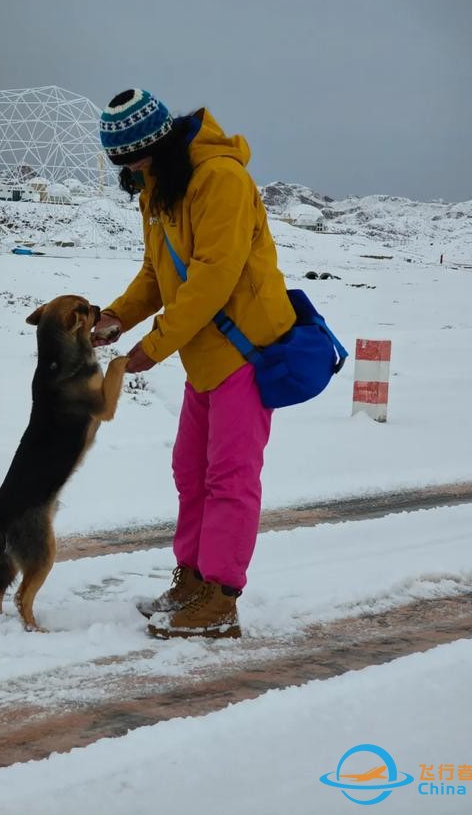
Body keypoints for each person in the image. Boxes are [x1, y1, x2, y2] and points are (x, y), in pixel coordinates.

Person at [94, 89, 295, 639]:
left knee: (230, 476)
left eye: (134, 158)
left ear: (158, 144)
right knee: (190, 471)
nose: (130, 171)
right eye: (123, 163)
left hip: (245, 352)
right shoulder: (159, 189)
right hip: (203, 356)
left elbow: (212, 277)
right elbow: (158, 275)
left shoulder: (220, 180)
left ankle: (220, 597)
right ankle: (193, 578)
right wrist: (116, 317)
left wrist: (150, 348)